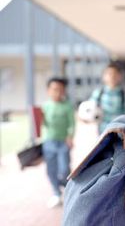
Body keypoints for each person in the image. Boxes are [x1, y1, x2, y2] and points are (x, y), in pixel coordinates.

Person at [41, 77, 75, 208]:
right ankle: (56, 193)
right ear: (48, 91)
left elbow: (72, 124)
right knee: (51, 170)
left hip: (63, 143)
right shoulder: (46, 106)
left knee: (65, 168)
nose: (58, 92)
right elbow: (42, 124)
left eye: (61, 90)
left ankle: (67, 188)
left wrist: (70, 137)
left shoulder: (67, 106)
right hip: (49, 142)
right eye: (55, 89)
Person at [89, 62, 125, 134]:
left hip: (119, 133)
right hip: (102, 132)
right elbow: (89, 109)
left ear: (120, 76)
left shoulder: (124, 95)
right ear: (103, 76)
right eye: (109, 74)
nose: (112, 76)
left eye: (115, 74)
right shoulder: (98, 93)